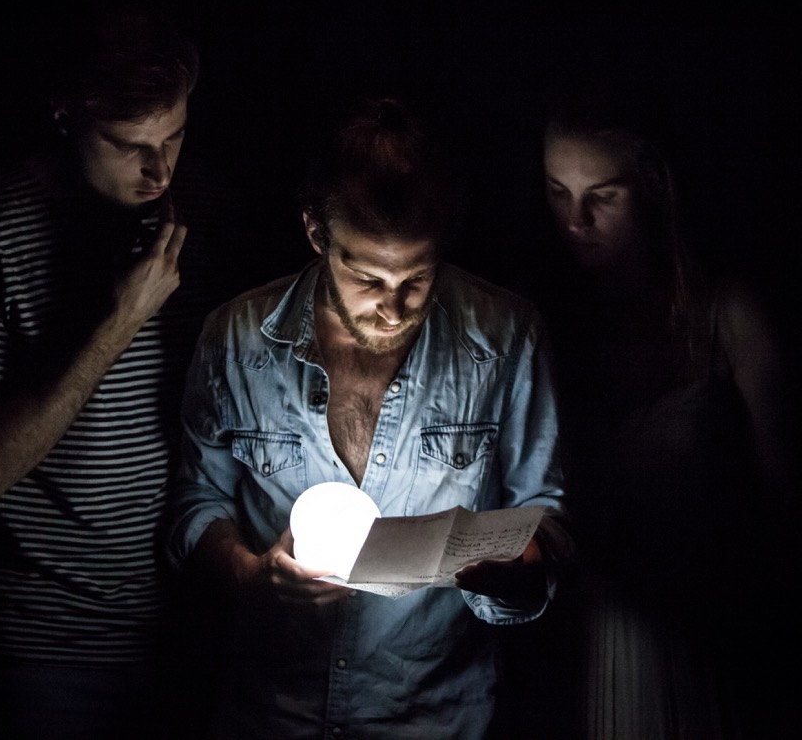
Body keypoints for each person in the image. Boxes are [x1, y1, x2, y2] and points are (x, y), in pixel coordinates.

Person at [166, 96, 572, 739]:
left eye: (416, 277)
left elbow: (544, 514)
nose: (392, 308)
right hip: (271, 713)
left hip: (432, 716)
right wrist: (249, 575)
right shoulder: (235, 339)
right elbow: (197, 497)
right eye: (365, 277)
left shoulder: (507, 339)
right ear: (315, 232)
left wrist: (520, 574)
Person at [0, 0, 235, 739]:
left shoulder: (209, 214)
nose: (160, 168)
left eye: (176, 136)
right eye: (129, 144)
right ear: (66, 116)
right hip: (45, 646)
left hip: (192, 637)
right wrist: (120, 320)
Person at [517, 93, 793, 739]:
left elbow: (783, 492)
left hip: (713, 627)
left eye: (602, 195)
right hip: (593, 632)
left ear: (651, 187)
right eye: (558, 192)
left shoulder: (725, 314)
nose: (576, 219)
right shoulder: (542, 320)